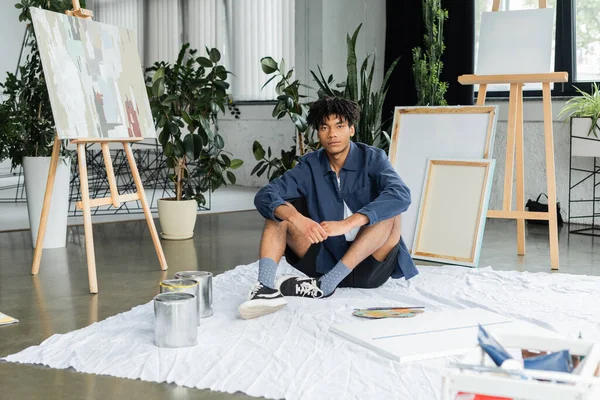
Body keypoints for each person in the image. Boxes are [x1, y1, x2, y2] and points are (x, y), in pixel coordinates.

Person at [238, 96, 418, 320]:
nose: (332, 134)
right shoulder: (310, 165)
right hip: (324, 259)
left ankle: (327, 285)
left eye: (339, 126)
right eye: (325, 127)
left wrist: (348, 224)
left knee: (391, 211)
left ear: (351, 129)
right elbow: (265, 195)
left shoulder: (372, 158)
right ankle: (264, 289)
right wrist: (297, 218)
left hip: (371, 264)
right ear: (318, 133)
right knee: (277, 210)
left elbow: (401, 194)